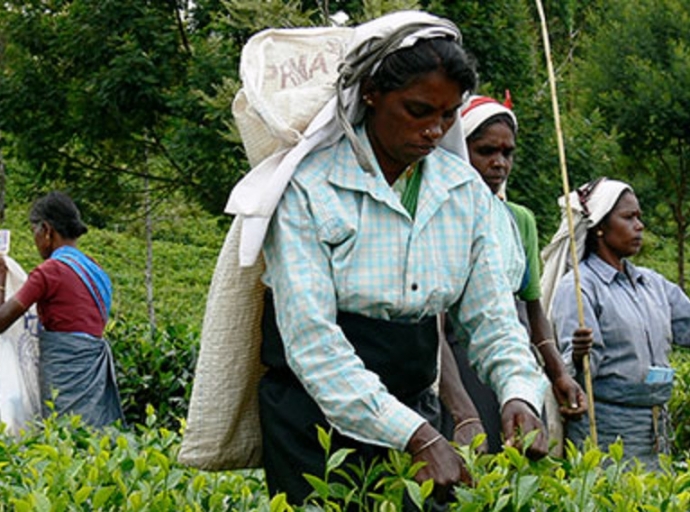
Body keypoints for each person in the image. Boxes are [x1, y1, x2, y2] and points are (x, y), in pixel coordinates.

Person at [239, 11, 550, 506]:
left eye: (447, 116)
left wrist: (518, 392)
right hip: (311, 420)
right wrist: (417, 436)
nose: (434, 130)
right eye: (418, 109)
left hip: (413, 402)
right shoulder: (309, 187)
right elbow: (312, 341)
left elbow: (493, 314)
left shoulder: (463, 191)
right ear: (371, 94)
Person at [441, 95, 587, 453]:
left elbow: (532, 311)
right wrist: (461, 411)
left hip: (509, 357)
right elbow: (436, 322)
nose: (499, 163)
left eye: (507, 153)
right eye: (486, 151)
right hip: (455, 363)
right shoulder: (442, 214)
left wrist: (558, 375)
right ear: (460, 149)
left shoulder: (517, 220)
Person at [545, 177, 690, 470]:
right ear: (600, 226)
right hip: (607, 429)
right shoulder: (579, 287)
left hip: (655, 427)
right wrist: (577, 355)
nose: (640, 226)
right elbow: (574, 378)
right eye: (628, 217)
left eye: (639, 217)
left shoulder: (652, 284)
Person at [0, 191, 124, 428]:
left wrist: (2, 276)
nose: (35, 240)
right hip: (93, 372)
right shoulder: (94, 268)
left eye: (34, 232)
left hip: (65, 375)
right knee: (91, 436)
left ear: (46, 230)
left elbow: (3, 320)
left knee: (65, 434)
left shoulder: (49, 272)